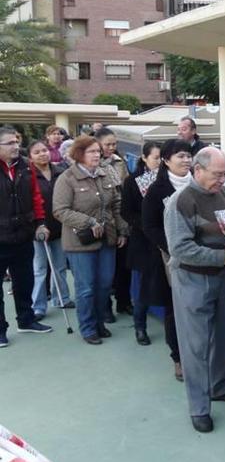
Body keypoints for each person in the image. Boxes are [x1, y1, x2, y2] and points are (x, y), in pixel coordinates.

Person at [164, 147, 225, 433]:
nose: (222, 179)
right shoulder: (181, 200)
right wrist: (222, 257)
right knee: (195, 345)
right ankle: (199, 407)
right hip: (193, 279)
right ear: (197, 170)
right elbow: (180, 247)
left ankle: (219, 385)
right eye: (217, 174)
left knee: (224, 336)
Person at [53, 135, 127, 345]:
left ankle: (99, 322)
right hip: (80, 242)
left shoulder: (105, 175)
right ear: (79, 154)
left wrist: (121, 230)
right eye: (91, 151)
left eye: (97, 151)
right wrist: (88, 222)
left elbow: (116, 205)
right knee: (86, 287)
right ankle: (87, 327)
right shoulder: (67, 178)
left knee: (104, 284)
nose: (96, 154)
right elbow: (60, 210)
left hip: (107, 239)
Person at [141, 139, 193, 381]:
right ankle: (178, 358)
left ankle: (198, 354)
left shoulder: (199, 183)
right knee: (174, 310)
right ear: (166, 160)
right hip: (169, 258)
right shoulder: (157, 189)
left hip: (201, 257)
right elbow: (149, 225)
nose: (186, 160)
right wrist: (173, 246)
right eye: (180, 156)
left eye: (188, 155)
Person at [0, 127, 53, 348]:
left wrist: (40, 223)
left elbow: (35, 196)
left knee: (25, 280)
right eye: (10, 143)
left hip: (23, 233)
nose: (16, 146)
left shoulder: (26, 166)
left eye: (16, 142)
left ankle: (26, 319)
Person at [121, 141, 161, 345]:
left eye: (162, 158)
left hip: (164, 240)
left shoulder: (168, 180)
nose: (159, 162)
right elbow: (125, 212)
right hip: (143, 241)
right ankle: (140, 326)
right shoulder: (132, 181)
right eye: (155, 158)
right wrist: (146, 223)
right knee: (142, 287)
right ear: (144, 158)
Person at [28, 140, 73, 321]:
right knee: (40, 269)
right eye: (37, 152)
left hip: (60, 227)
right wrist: (36, 225)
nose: (42, 154)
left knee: (60, 267)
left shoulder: (60, 172)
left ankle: (62, 298)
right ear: (30, 156)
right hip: (38, 228)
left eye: (44, 150)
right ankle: (38, 306)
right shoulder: (28, 175)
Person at [95, 127, 132, 320]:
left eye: (114, 144)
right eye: (107, 144)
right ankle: (105, 307)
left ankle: (124, 302)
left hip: (121, 214)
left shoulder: (120, 161)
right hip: (104, 219)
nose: (111, 147)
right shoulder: (93, 164)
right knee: (105, 271)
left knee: (123, 266)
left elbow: (125, 188)